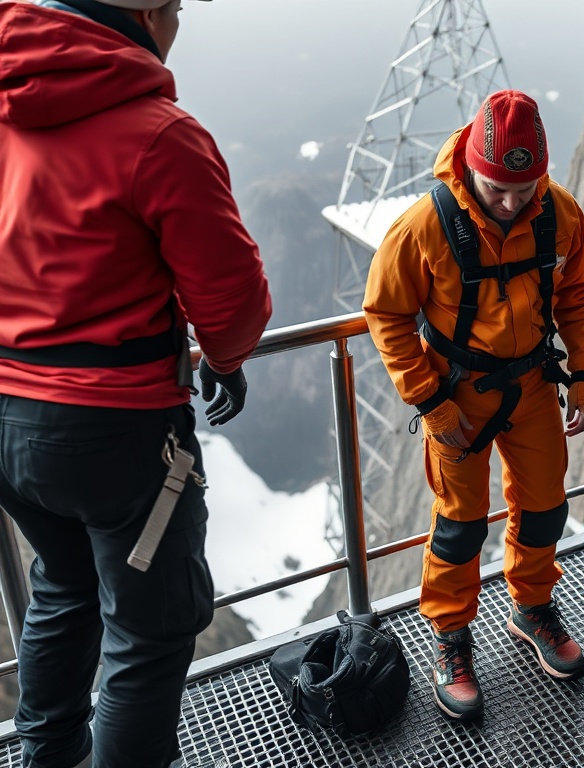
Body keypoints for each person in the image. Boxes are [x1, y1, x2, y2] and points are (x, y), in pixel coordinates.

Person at [0, 0, 272, 766]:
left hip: (8, 421)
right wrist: (223, 358)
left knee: (62, 583)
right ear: (151, 13)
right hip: (113, 434)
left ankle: (45, 757)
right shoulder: (159, 135)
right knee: (148, 636)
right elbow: (233, 299)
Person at [363, 89, 584, 721]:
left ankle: (531, 608)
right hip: (457, 399)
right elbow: (386, 313)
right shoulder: (425, 227)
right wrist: (431, 398)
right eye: (496, 187)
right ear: (470, 165)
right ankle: (451, 637)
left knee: (547, 506)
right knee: (460, 523)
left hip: (531, 390)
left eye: (522, 190)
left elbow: (578, 297)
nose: (509, 202)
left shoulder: (559, 215)